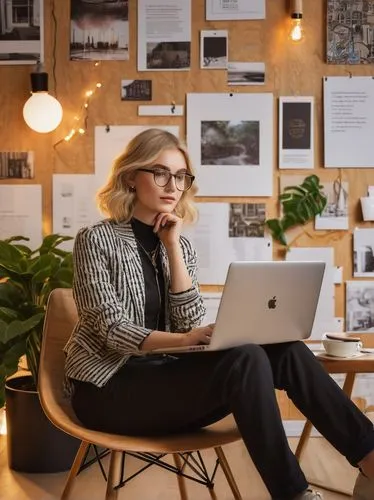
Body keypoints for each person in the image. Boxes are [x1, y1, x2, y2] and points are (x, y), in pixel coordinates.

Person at [64, 128, 374, 500]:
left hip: (165, 383)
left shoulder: (180, 244)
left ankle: (370, 459)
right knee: (245, 359)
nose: (173, 185)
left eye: (181, 176)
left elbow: (189, 323)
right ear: (131, 176)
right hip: (109, 389)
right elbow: (109, 329)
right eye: (160, 172)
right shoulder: (95, 239)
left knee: (283, 348)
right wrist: (184, 340)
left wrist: (173, 248)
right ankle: (294, 493)